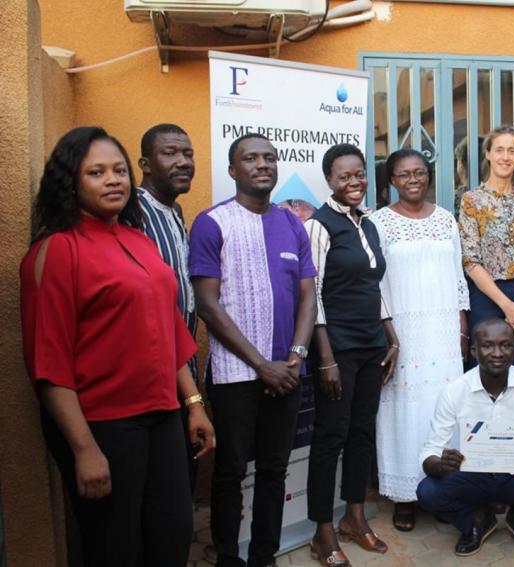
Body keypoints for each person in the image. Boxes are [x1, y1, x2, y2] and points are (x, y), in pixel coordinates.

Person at [20, 126, 214, 567]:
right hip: (104, 426)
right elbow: (48, 365)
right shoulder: (55, 251)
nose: (113, 180)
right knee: (115, 548)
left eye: (119, 170)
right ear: (71, 181)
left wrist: (194, 404)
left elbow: (169, 332)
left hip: (163, 415)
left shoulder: (139, 240)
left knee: (172, 532)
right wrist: (84, 449)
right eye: (96, 172)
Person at [190, 133, 318, 567]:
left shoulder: (291, 223)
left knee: (274, 470)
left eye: (269, 158)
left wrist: (296, 355)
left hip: (287, 372)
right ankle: (228, 556)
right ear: (233, 170)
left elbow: (307, 296)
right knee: (229, 472)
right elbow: (207, 304)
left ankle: (264, 555)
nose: (262, 165)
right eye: (250, 158)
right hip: (235, 377)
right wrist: (261, 364)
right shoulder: (212, 223)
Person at [304, 143, 400, 566]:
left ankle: (354, 517)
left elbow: (373, 287)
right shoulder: (319, 225)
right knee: (331, 437)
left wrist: (392, 337)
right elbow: (312, 297)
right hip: (336, 348)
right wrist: (323, 357)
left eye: (359, 174)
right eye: (344, 176)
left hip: (371, 347)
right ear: (329, 180)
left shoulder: (369, 225)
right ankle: (322, 531)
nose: (354, 182)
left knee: (362, 433)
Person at [370, 149, 470, 531]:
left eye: (419, 173)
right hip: (402, 332)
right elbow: (374, 284)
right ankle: (404, 496)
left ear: (428, 176)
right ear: (391, 181)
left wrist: (462, 327)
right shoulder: (378, 223)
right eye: (403, 174)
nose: (413, 179)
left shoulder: (447, 219)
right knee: (402, 409)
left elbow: (459, 277)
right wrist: (387, 332)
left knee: (443, 409)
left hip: (443, 330)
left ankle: (443, 490)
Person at [416, 318, 514, 558]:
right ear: (474, 351)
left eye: (505, 345)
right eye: (488, 346)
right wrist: (440, 465)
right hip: (473, 477)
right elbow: (431, 451)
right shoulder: (454, 390)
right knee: (428, 491)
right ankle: (477, 521)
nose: (497, 353)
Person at [137, 123, 200, 487]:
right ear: (145, 164)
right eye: (170, 153)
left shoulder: (175, 213)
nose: (183, 162)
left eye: (188, 154)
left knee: (181, 478)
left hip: (183, 370)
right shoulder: (132, 213)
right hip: (151, 379)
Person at [458, 126, 514, 375]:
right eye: (499, 150)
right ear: (487, 154)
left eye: (511, 151)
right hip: (487, 297)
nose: (505, 157)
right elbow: (471, 260)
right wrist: (507, 306)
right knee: (487, 371)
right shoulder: (471, 200)